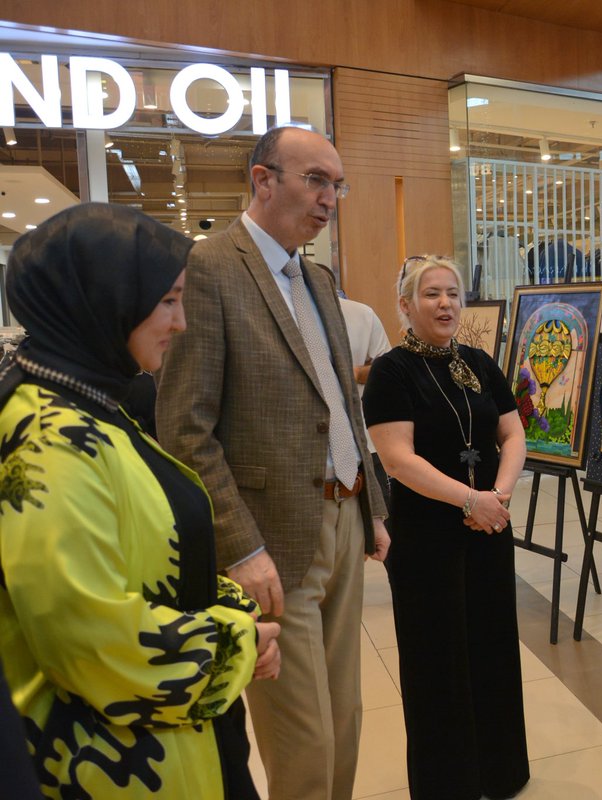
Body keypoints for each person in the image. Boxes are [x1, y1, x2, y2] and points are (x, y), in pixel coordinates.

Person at [0, 203, 280, 798]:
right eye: (168, 301)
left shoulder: (89, 400)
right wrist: (234, 647)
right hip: (118, 765)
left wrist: (234, 607)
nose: (180, 323)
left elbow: (155, 558)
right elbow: (90, 640)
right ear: (105, 301)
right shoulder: (52, 441)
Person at [156, 126, 389, 800]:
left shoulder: (314, 276)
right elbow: (184, 429)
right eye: (315, 180)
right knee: (305, 742)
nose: (329, 199)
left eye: (337, 185)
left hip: (344, 519)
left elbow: (341, 396)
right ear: (262, 181)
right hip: (272, 540)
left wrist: (370, 501)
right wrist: (240, 544)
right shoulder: (206, 268)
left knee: (346, 719)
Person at [363, 255, 530, 800]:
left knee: (491, 646)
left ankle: (499, 772)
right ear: (406, 306)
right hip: (427, 536)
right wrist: (469, 500)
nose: (446, 304)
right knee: (437, 659)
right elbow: (397, 460)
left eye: (453, 293)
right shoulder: (391, 371)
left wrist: (497, 497)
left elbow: (513, 435)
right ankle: (449, 783)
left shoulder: (481, 363)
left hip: (487, 527)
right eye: (431, 294)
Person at [340, 294, 393, 500]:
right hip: (309, 452)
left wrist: (354, 372)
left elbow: (387, 372)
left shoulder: (360, 314)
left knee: (380, 523)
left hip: (366, 443)